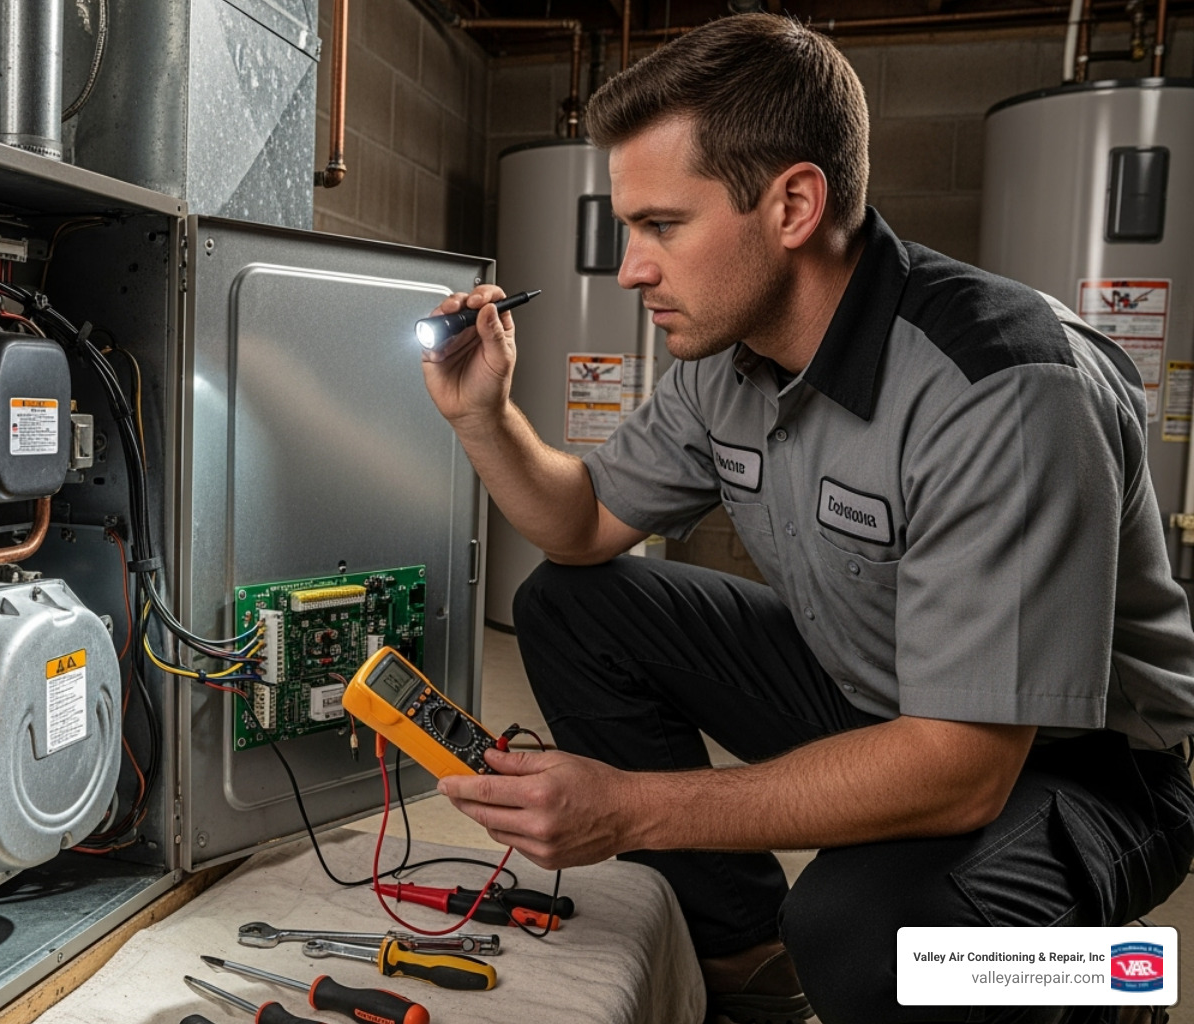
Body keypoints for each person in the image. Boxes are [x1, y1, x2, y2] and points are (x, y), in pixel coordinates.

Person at [421, 13, 1194, 1024]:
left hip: (1080, 768)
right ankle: (743, 954)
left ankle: (1103, 982)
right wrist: (485, 415)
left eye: (663, 225)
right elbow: (584, 525)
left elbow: (964, 770)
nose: (630, 270)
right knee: (573, 604)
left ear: (792, 204)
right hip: (889, 694)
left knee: (867, 935)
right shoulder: (727, 361)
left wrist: (629, 809)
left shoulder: (1002, 386)